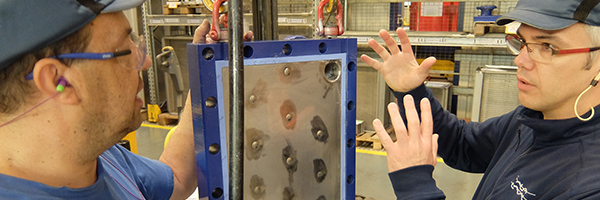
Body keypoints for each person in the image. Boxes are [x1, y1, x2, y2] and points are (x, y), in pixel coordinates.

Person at [361, 0, 600, 199]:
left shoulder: (588, 185)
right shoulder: (531, 121)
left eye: (548, 46)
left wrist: (415, 186)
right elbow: (462, 143)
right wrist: (412, 91)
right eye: (523, 43)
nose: (520, 61)